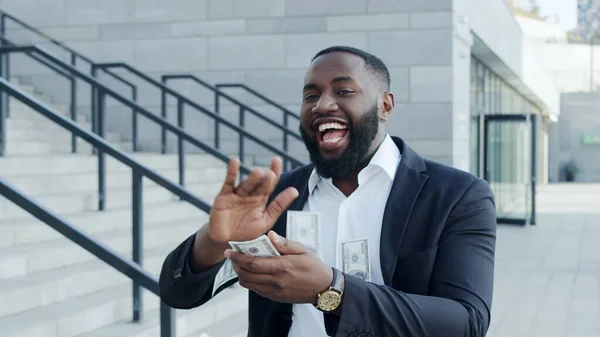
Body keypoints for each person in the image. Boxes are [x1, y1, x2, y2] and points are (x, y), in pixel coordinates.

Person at [159, 46, 497, 337]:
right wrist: (213, 242)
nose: (322, 105)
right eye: (310, 95)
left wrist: (332, 289)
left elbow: (466, 323)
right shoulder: (278, 197)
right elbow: (177, 293)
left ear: (385, 106)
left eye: (344, 91)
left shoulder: (457, 195)